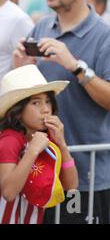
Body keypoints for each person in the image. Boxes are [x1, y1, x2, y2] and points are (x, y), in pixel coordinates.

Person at [12, 0, 110, 224]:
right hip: (39, 172)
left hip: (85, 177)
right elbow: (27, 98)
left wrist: (76, 66)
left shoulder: (106, 35)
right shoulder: (41, 28)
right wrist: (22, 68)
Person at [0, 65, 78, 224]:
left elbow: (71, 186)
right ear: (18, 109)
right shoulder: (10, 140)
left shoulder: (47, 137)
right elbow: (8, 192)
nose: (45, 110)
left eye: (48, 101)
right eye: (36, 103)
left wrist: (62, 145)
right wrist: (33, 151)